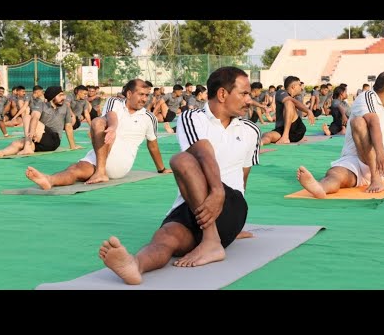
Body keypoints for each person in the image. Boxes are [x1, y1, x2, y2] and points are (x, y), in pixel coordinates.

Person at [98, 66, 260, 285]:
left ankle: (212, 241)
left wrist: (234, 222)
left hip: (230, 205)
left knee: (180, 160)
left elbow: (243, 177)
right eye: (244, 93)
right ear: (222, 94)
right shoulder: (192, 118)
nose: (249, 100)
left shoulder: (251, 130)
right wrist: (216, 192)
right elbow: (203, 153)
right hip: (193, 205)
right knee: (165, 238)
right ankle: (135, 265)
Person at [25, 79, 172, 190]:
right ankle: (49, 180)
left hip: (120, 161)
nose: (145, 99)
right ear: (129, 94)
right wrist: (113, 127)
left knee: (98, 123)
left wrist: (161, 168)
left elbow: (152, 145)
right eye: (141, 94)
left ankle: (101, 172)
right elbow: (111, 116)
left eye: (147, 95)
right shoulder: (114, 102)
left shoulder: (149, 117)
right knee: (75, 168)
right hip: (98, 154)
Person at [297, 71, 384, 198]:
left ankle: (376, 178)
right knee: (335, 174)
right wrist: (380, 153)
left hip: (377, 167)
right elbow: (373, 122)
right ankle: (320, 188)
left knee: (358, 122)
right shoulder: (367, 96)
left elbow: (381, 139)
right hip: (355, 161)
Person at [0, 86, 80, 157]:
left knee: (27, 117)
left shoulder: (65, 107)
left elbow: (68, 126)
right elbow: (35, 117)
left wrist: (72, 146)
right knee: (18, 143)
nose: (64, 97)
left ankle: (27, 146)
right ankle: (2, 153)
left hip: (53, 140)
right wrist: (32, 132)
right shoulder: (41, 105)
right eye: (61, 95)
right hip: (39, 141)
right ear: (53, 97)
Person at [261, 76, 315, 145]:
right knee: (267, 135)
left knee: (289, 102)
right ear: (293, 86)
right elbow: (290, 100)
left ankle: (285, 136)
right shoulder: (281, 92)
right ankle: (260, 143)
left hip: (296, 130)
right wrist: (308, 111)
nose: (301, 87)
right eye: (299, 85)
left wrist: (308, 111)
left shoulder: (297, 97)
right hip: (282, 130)